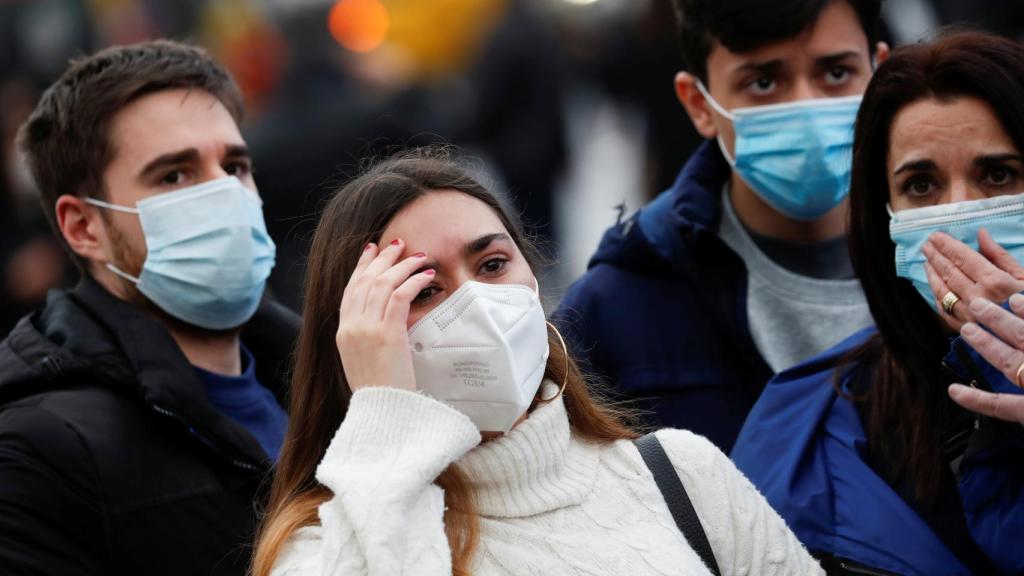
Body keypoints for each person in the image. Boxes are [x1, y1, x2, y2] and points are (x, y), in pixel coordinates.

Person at [252, 149, 823, 576]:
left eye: (494, 264)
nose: (476, 303)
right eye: (422, 291)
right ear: (357, 339)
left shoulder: (682, 474)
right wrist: (384, 417)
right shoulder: (321, 548)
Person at [732, 31, 1024, 575]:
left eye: (997, 175)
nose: (958, 214)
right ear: (881, 217)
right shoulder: (810, 435)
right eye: (920, 185)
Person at [0, 41, 298, 575]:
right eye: (174, 176)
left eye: (235, 166)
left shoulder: (333, 382)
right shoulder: (37, 455)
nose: (225, 195)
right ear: (83, 227)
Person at [554, 0, 887, 451]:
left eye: (836, 73)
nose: (807, 107)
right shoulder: (616, 312)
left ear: (880, 75)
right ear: (699, 104)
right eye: (764, 82)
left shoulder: (946, 263)